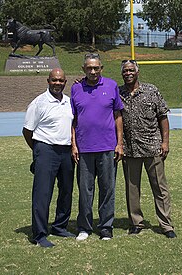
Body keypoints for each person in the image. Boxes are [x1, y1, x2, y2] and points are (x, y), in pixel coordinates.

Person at [119, 60, 177, 238]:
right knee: (132, 189)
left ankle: (166, 225)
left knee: (160, 188)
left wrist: (165, 142)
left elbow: (163, 117)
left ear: (137, 72)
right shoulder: (118, 93)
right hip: (130, 149)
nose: (128, 73)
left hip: (153, 147)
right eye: (125, 71)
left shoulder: (151, 91)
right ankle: (136, 222)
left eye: (131, 70)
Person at [71, 53, 124, 241]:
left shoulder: (111, 86)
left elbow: (118, 115)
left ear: (101, 68)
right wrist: (74, 144)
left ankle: (105, 227)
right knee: (85, 190)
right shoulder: (76, 88)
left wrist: (119, 143)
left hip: (108, 147)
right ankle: (84, 227)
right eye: (89, 68)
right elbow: (74, 119)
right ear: (83, 69)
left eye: (96, 68)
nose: (93, 71)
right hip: (84, 149)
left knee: (107, 188)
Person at [22, 68, 75, 248]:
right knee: (43, 193)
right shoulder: (39, 103)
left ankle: (60, 226)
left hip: (66, 151)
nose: (57, 83)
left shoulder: (69, 102)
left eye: (61, 80)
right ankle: (39, 234)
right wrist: (38, 151)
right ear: (48, 81)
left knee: (66, 190)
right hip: (46, 149)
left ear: (65, 82)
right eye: (54, 80)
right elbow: (27, 131)